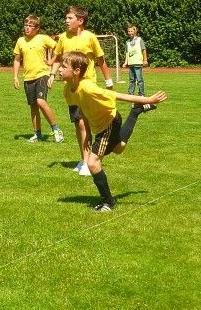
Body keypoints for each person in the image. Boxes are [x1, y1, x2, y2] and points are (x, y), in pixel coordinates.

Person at [59, 51, 167, 212]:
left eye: (63, 66)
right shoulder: (68, 90)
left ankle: (108, 202)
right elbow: (82, 109)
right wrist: (87, 134)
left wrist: (149, 99)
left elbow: (118, 95)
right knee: (119, 148)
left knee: (92, 163)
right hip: (101, 126)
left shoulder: (88, 87)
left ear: (76, 71)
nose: (59, 69)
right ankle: (135, 112)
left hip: (109, 122)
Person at [48, 5, 113, 176]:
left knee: (85, 123)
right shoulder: (63, 37)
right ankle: (84, 159)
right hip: (72, 88)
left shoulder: (90, 37)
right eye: (66, 18)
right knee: (78, 123)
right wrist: (52, 74)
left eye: (70, 18)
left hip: (87, 87)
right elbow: (58, 59)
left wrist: (109, 81)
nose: (66, 21)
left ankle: (89, 160)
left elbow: (101, 60)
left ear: (80, 20)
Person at [13, 15, 64, 143]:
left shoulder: (43, 38)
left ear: (37, 28)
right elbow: (17, 59)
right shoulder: (20, 41)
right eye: (26, 25)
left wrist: (52, 62)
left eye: (30, 26)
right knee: (33, 106)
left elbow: (58, 49)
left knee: (41, 101)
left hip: (42, 74)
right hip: (28, 78)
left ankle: (56, 129)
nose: (27, 28)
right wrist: (15, 76)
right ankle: (37, 134)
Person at [122, 24, 148, 96]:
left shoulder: (139, 40)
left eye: (131, 31)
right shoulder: (127, 42)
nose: (130, 33)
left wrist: (145, 60)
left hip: (138, 63)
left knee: (139, 80)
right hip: (131, 63)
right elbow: (127, 53)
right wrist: (125, 62)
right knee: (132, 80)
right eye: (129, 31)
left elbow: (144, 50)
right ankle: (131, 93)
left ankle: (141, 93)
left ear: (135, 31)